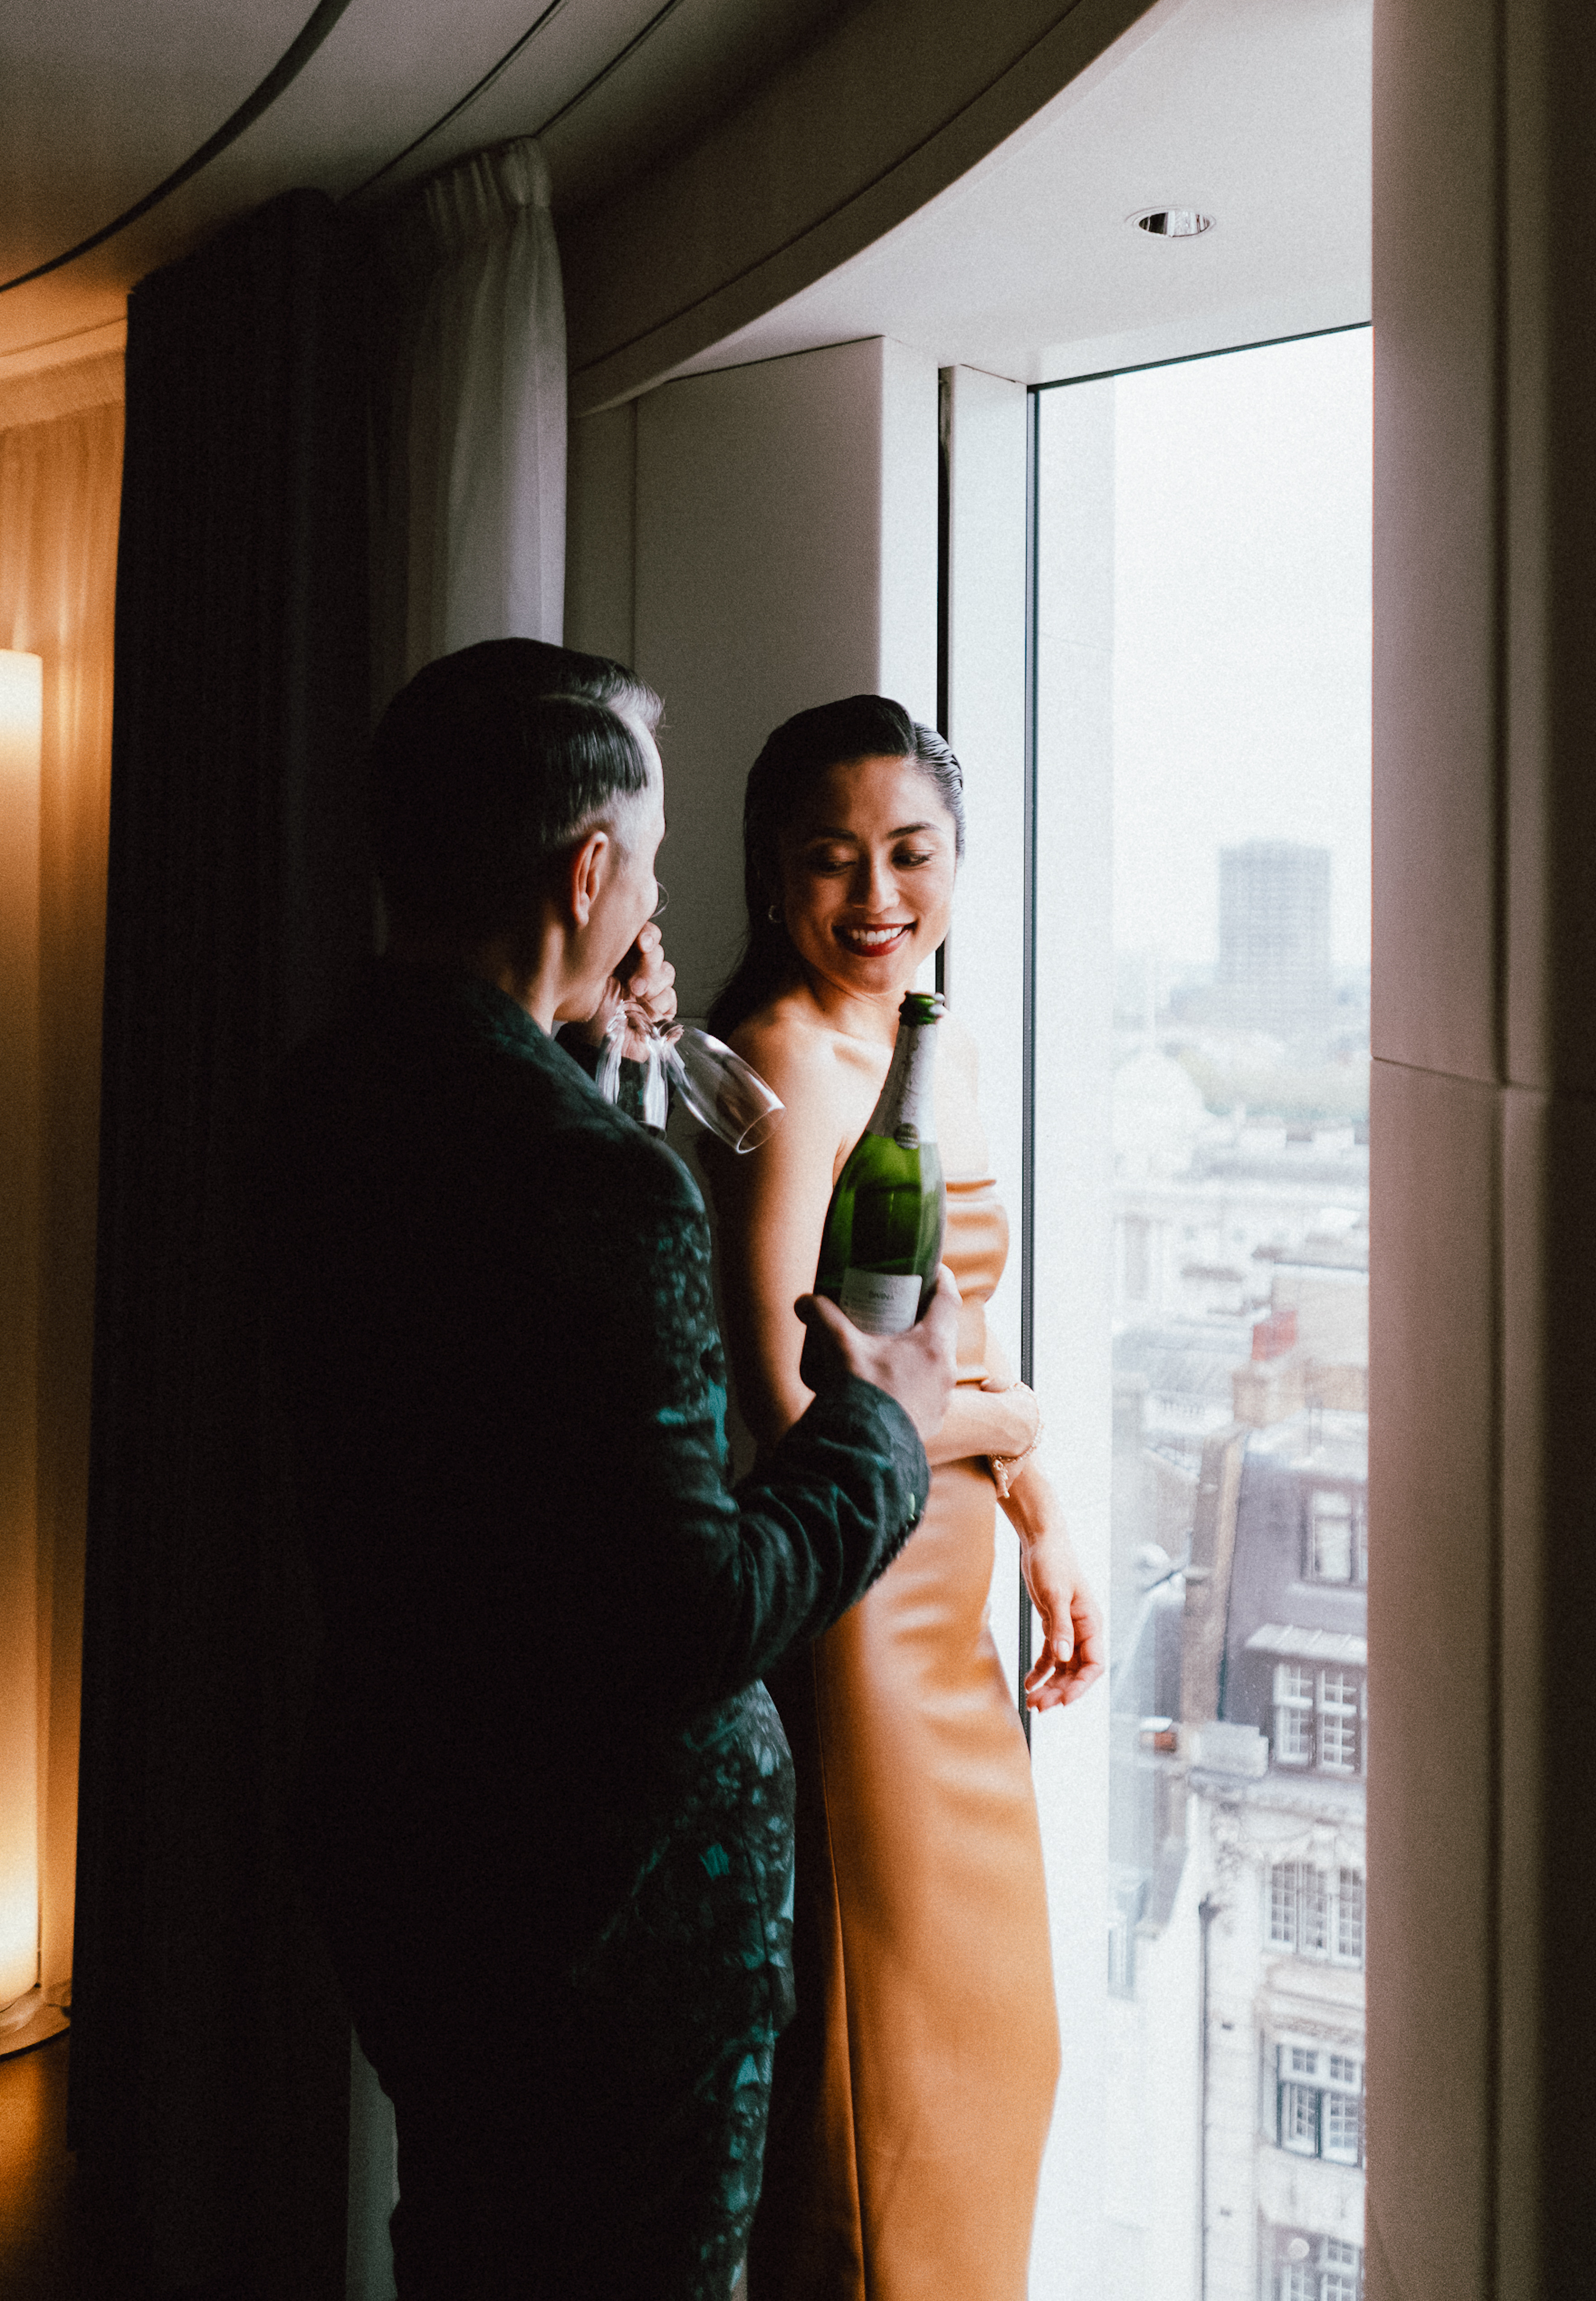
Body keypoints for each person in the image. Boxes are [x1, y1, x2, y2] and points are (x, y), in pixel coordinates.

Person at [260, 641, 960, 2301]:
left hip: (410, 1850)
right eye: (638, 862)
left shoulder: (332, 1094)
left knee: (471, 2245)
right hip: (611, 1917)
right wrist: (884, 1422)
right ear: (591, 868)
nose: (652, 900)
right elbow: (688, 1612)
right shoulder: (595, 1185)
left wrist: (593, 1043)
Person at [702, 694, 1104, 2301]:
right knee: (896, 2086)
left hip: (942, 1596)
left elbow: (945, 1324)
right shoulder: (791, 1051)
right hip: (858, 1618)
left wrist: (1037, 1503)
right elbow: (793, 1395)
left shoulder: (921, 1039)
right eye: (830, 860)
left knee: (995, 2053)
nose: (876, 897)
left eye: (910, 853)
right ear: (771, 873)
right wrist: (1004, 1418)